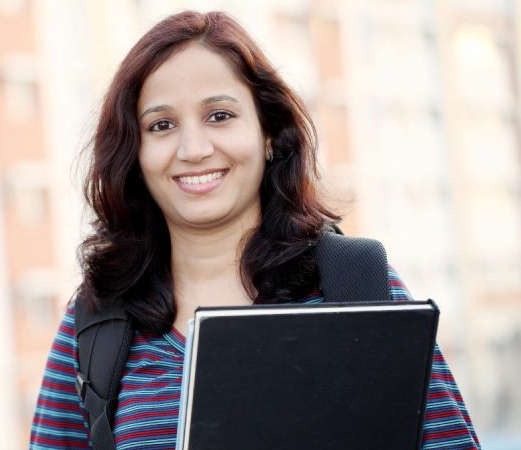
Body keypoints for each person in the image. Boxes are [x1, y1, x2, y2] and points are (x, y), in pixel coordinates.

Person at [30, 10, 480, 450]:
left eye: (220, 116)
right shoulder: (95, 324)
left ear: (269, 133)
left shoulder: (357, 285)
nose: (193, 149)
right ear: (135, 153)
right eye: (161, 125)